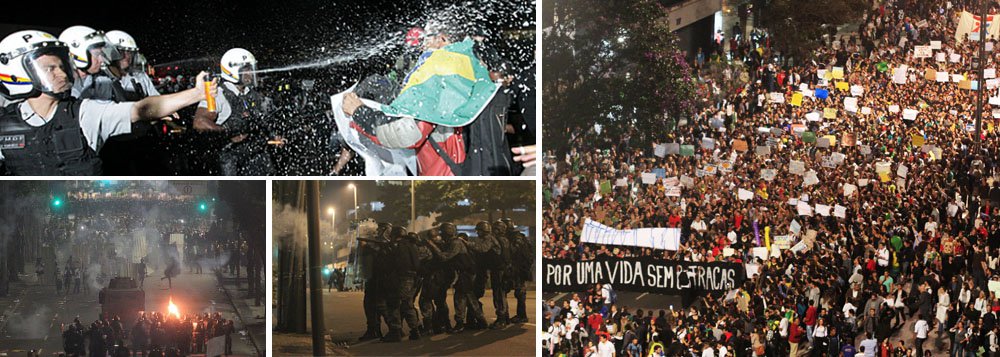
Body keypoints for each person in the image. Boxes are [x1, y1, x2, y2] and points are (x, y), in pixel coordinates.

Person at [0, 30, 217, 175]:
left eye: (61, 66)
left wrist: (197, 94)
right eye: (49, 68)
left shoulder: (85, 113)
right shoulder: (5, 124)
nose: (62, 74)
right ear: (18, 72)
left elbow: (141, 109)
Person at [193, 48, 280, 175]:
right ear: (232, 70)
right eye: (247, 69)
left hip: (255, 155)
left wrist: (273, 135)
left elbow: (261, 120)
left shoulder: (251, 94)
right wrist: (227, 131)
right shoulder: (217, 94)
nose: (252, 73)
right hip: (231, 159)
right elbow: (199, 123)